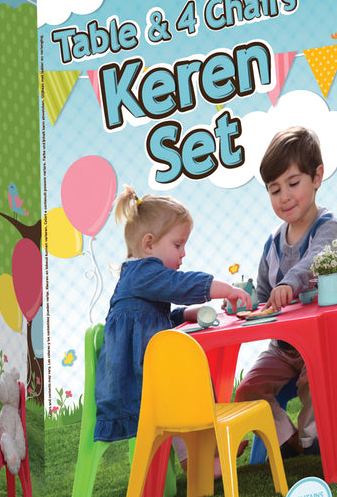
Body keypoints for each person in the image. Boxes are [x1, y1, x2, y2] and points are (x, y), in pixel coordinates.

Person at [93, 185, 252, 445]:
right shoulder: (143, 272)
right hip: (135, 386)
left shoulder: (139, 277)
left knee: (188, 377)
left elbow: (152, 318)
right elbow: (179, 284)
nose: (183, 252)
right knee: (189, 377)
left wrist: (186, 313)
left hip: (143, 377)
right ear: (148, 244)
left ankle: (207, 446)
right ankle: (205, 450)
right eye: (178, 244)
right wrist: (226, 290)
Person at [234, 126, 337, 456]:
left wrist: (289, 283)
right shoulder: (272, 242)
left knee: (316, 380)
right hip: (282, 349)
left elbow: (315, 260)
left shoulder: (327, 226)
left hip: (320, 345)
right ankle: (285, 439)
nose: (284, 196)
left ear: (317, 177)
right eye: (275, 189)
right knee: (247, 389)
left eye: (293, 183)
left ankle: (313, 442)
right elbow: (263, 294)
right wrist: (245, 300)